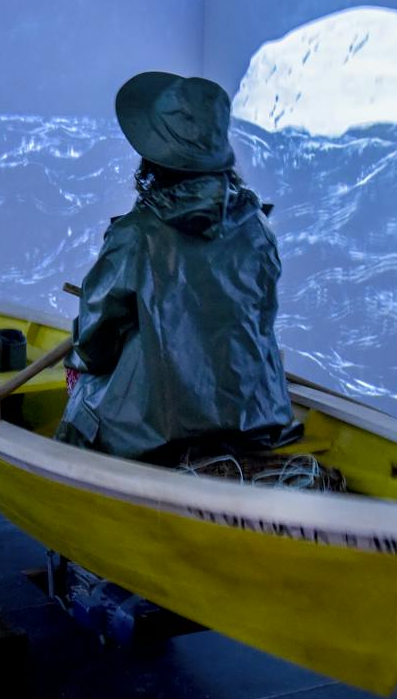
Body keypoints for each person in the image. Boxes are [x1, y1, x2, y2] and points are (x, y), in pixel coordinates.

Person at [55, 71, 299, 463]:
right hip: (253, 418)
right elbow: (259, 322)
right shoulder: (257, 228)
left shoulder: (135, 236)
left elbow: (95, 344)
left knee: (81, 390)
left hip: (151, 434)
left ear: (153, 157)